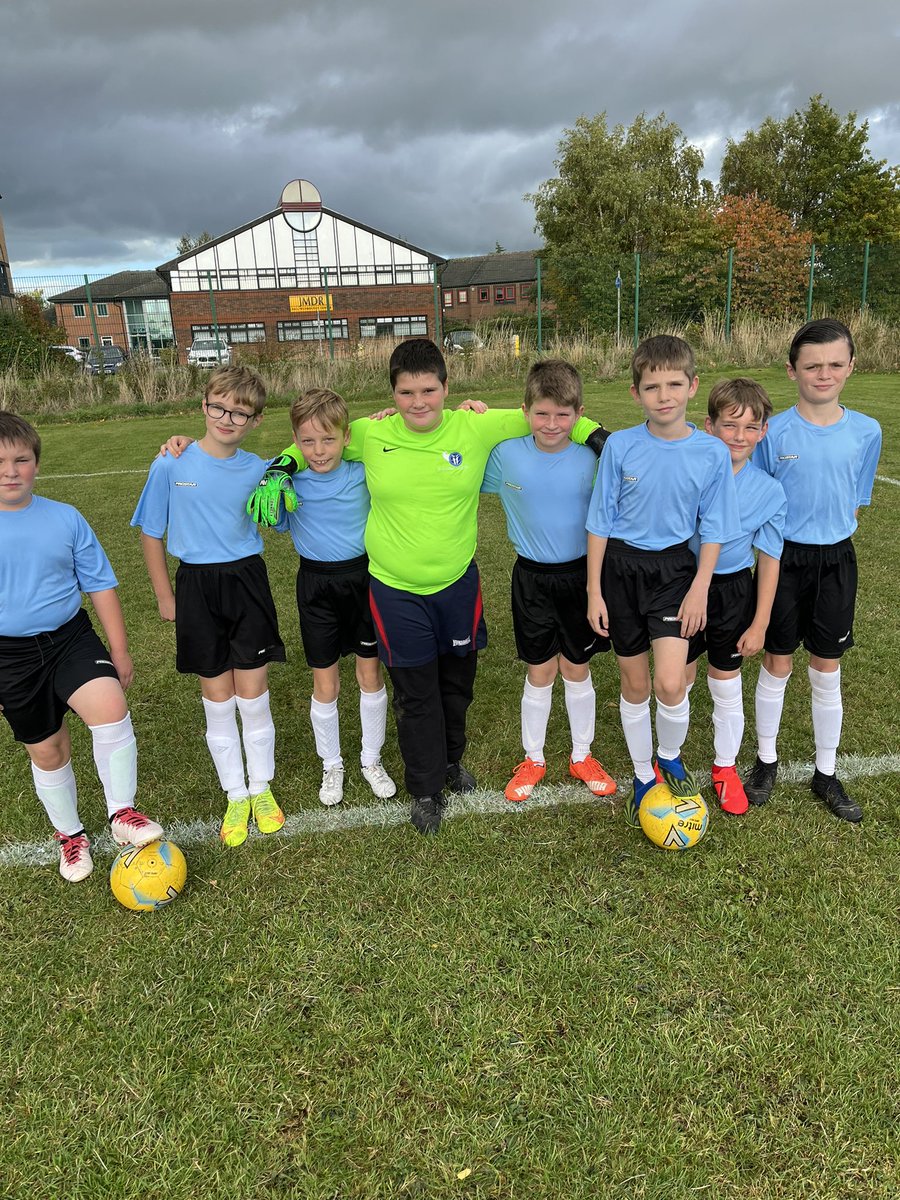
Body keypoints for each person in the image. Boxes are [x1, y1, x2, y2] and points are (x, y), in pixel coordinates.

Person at [249, 338, 609, 835]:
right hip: (394, 588)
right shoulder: (370, 435)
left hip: (458, 584)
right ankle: (424, 788)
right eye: (406, 392)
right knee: (416, 691)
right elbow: (315, 435)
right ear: (392, 394)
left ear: (446, 387)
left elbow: (549, 414)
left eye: (428, 389)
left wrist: (599, 436)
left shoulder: (474, 425)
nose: (418, 401)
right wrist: (281, 467)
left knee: (456, 687)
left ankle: (450, 763)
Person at [0, 413, 163, 883]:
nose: (11, 470)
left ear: (36, 464)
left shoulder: (65, 517)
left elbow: (100, 585)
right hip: (9, 656)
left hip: (70, 638)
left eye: (21, 460)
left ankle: (122, 813)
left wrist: (120, 648)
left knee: (110, 706)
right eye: (1, 462)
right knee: (48, 749)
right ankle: (70, 835)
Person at [586, 334, 739, 825]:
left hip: (676, 572)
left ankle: (669, 756)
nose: (664, 395)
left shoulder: (711, 452)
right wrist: (594, 590)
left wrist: (700, 588)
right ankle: (641, 772)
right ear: (636, 394)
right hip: (621, 572)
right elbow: (600, 521)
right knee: (635, 683)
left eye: (674, 384)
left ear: (693, 386)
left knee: (671, 683)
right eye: (652, 386)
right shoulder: (622, 447)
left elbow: (713, 527)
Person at [131, 365, 286, 848]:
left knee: (253, 691)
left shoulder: (261, 469)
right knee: (218, 698)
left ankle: (261, 788)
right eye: (219, 407)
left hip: (247, 582)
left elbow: (285, 504)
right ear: (203, 406)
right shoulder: (171, 464)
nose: (227, 419)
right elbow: (151, 531)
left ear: (255, 421)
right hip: (196, 585)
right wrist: (164, 596)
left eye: (240, 413)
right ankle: (235, 794)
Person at [744, 318, 882, 822]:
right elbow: (758, 500)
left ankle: (826, 771)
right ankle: (765, 762)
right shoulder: (773, 431)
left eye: (834, 365)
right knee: (777, 660)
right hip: (782, 560)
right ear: (792, 371)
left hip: (836, 560)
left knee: (827, 666)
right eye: (812, 366)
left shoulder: (867, 430)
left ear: (850, 367)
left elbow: (856, 500)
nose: (823, 374)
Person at [480, 360, 615, 803]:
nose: (551, 424)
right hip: (531, 578)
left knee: (577, 667)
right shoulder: (505, 455)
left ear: (579, 415)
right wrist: (470, 413)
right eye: (541, 413)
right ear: (525, 411)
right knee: (539, 670)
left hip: (581, 575)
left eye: (562, 414)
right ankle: (533, 758)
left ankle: (582, 754)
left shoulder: (594, 457)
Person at [274, 387, 396, 807]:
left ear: (346, 437)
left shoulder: (364, 472)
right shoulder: (286, 483)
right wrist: (272, 485)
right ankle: (332, 764)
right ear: (295, 439)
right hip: (316, 586)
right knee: (325, 682)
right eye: (307, 441)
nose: (318, 450)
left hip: (363, 580)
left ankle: (371, 759)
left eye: (328, 439)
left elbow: (395, 444)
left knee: (369, 675)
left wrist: (385, 421)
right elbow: (271, 518)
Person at [684, 378, 786, 815]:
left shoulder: (769, 490)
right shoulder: (687, 472)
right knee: (676, 682)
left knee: (725, 683)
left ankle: (725, 768)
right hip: (683, 587)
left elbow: (769, 558)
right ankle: (668, 759)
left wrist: (760, 621)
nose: (739, 437)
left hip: (731, 591)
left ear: (763, 432)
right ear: (709, 426)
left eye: (750, 428)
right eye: (730, 426)